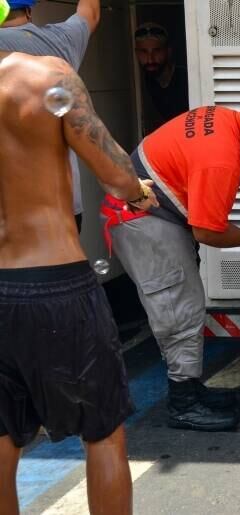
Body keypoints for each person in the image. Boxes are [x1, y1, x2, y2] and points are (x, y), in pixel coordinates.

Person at [0, 49, 158, 514]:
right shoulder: (49, 74)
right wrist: (137, 191)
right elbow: (114, 174)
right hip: (55, 283)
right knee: (103, 431)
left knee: (3, 436)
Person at [101, 93, 240, 432]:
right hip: (144, 221)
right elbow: (208, 232)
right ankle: (183, 404)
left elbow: (223, 159)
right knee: (179, 308)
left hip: (143, 208)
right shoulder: (220, 158)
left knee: (185, 302)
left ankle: (191, 387)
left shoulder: (221, 118)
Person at [0, 0, 101, 233]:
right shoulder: (60, 40)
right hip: (65, 204)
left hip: (9, 209)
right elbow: (90, 11)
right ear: (28, 10)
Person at [134, 22, 188, 134]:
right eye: (144, 52)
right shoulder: (150, 79)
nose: (150, 59)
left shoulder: (185, 79)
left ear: (168, 51)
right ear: (137, 53)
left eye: (156, 51)